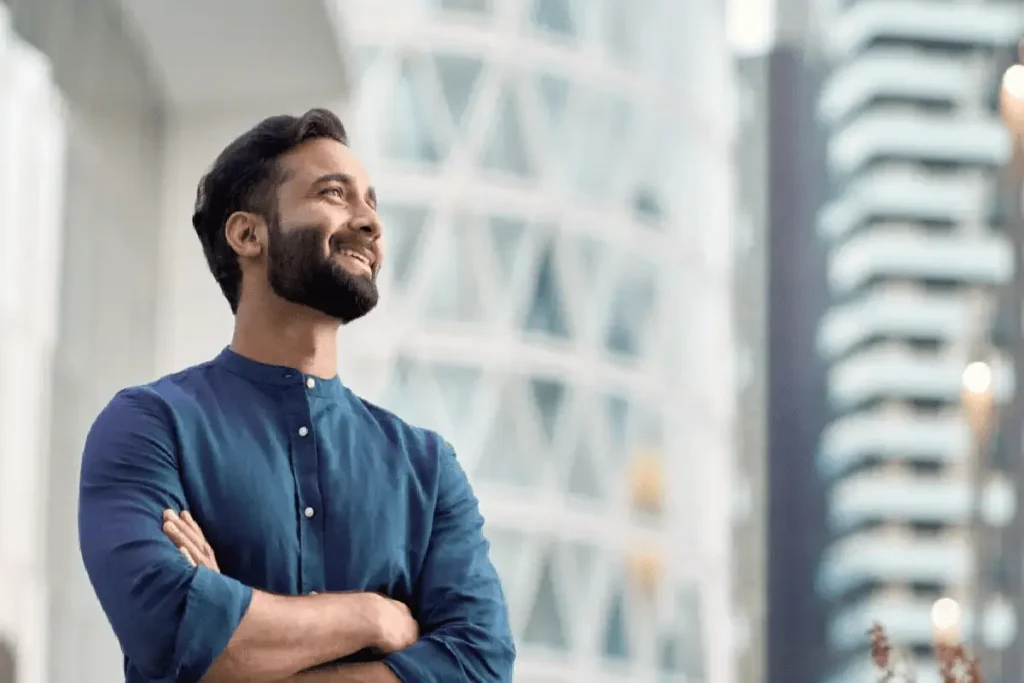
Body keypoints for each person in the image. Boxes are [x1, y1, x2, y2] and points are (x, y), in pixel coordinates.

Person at [77, 108, 515, 683]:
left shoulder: (427, 469)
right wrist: (373, 617)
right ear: (247, 233)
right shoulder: (150, 427)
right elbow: (171, 628)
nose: (369, 222)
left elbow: (479, 667)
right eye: (335, 194)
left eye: (372, 203)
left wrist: (235, 635)